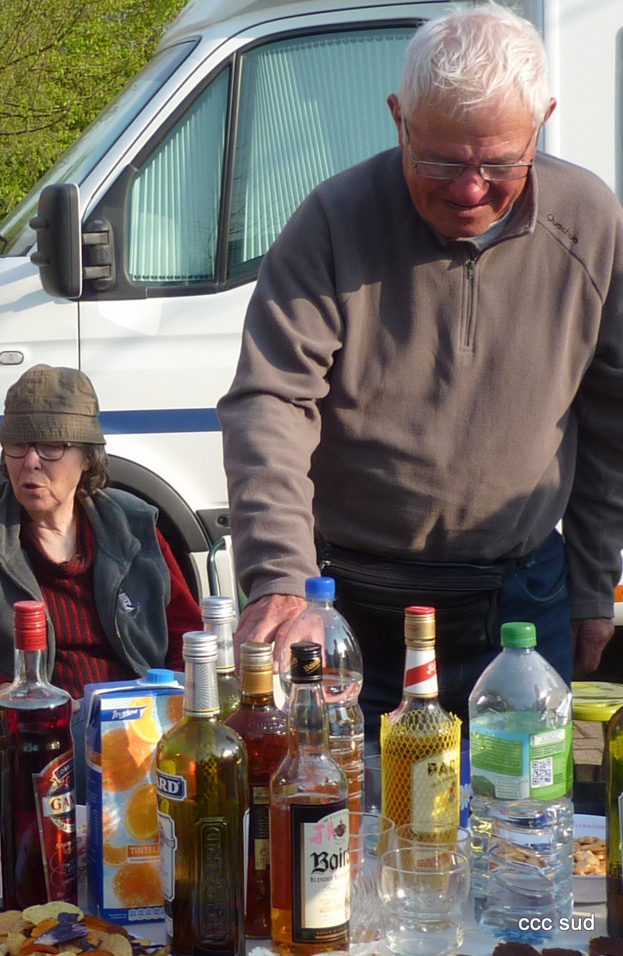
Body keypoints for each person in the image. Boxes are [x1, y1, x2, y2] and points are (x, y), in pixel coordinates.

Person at [217, 2, 623, 726]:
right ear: (398, 118)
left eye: (499, 163)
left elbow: (611, 420)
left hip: (522, 605)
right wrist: (279, 576)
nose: (470, 189)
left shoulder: (591, 221)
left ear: (543, 122)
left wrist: (594, 586)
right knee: (345, 798)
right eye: (440, 160)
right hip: (352, 610)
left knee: (519, 800)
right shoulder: (335, 220)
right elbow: (271, 401)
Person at [0, 364, 203, 801]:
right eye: (17, 445)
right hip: (24, 737)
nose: (30, 462)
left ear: (87, 456)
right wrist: (1, 693)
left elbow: (188, 637)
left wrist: (164, 701)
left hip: (136, 722)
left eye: (51, 446)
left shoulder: (134, 525)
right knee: (84, 749)